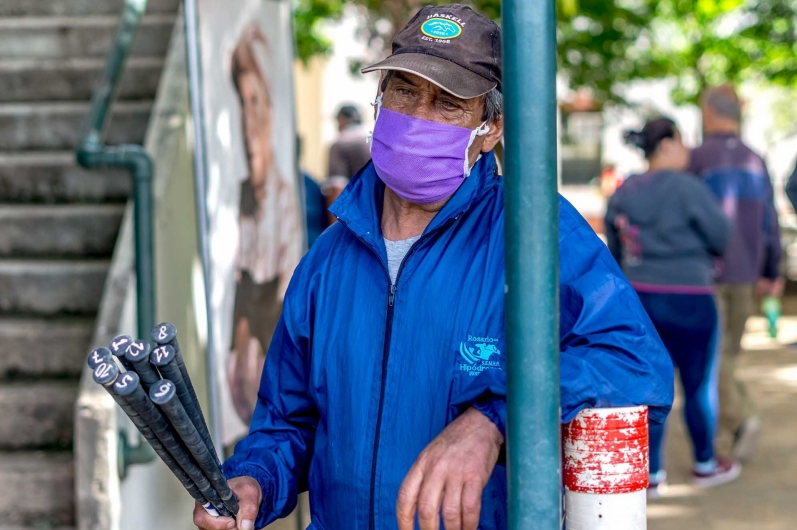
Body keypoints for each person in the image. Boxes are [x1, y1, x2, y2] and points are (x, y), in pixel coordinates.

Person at [194, 5, 673, 530]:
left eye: (447, 102)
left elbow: (634, 366)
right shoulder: (327, 259)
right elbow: (289, 421)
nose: (418, 116)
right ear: (380, 100)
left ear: (490, 128)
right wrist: (255, 480)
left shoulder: (535, 233)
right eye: (404, 90)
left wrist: (496, 420)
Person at [606, 118, 736, 495]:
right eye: (682, 143)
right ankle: (705, 464)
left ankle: (651, 475)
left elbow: (615, 250)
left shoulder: (625, 190)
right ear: (667, 145)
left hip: (642, 299)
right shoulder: (689, 188)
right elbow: (721, 235)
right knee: (697, 386)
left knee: (650, 386)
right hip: (692, 298)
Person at [689, 85, 782, 461]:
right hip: (746, 271)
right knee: (728, 354)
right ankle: (730, 430)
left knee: (714, 358)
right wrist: (771, 269)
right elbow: (769, 222)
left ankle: (741, 419)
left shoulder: (697, 160)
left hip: (706, 273)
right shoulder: (755, 160)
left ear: (710, 112)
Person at [227, 26, 303, 426]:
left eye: (255, 102)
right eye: (241, 102)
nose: (246, 119)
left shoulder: (283, 201)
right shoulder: (238, 199)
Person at [324, 104, 372, 226]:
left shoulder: (340, 145)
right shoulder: (372, 142)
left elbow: (337, 187)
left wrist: (333, 230)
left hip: (354, 217)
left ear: (340, 120)